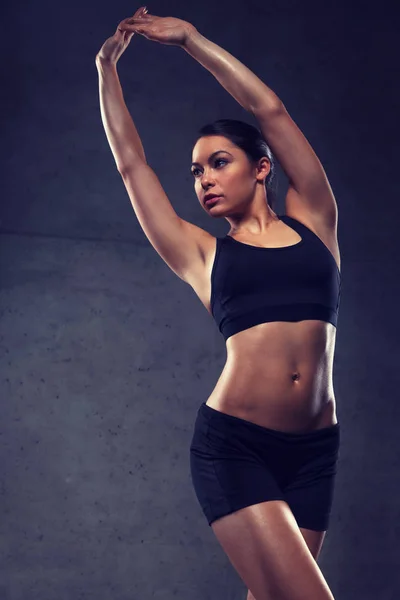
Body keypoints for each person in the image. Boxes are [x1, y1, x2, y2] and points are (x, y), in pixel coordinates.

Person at [96, 7, 341, 600]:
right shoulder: (202, 255)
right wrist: (106, 70)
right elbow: (132, 166)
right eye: (195, 171)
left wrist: (191, 40)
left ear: (262, 168)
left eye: (218, 162)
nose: (203, 179)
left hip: (315, 451)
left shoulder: (316, 218)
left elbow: (269, 111)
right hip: (235, 447)